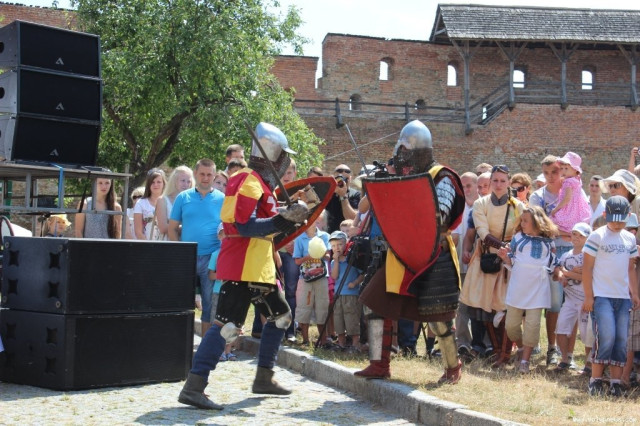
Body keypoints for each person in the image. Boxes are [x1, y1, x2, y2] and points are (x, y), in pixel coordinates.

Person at [178, 123, 308, 410]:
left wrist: (291, 219)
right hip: (243, 264)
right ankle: (194, 387)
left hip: (258, 266)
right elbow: (242, 225)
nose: (285, 161)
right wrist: (284, 218)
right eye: (283, 155)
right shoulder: (248, 180)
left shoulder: (260, 183)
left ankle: (264, 377)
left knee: (281, 317)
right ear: (272, 155)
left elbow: (268, 228)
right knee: (226, 326)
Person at [356, 120, 466, 384]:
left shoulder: (443, 177)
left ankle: (453, 368)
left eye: (406, 152)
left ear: (419, 152)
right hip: (401, 252)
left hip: (434, 254)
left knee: (439, 318)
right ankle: (379, 364)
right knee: (374, 304)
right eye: (401, 152)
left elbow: (439, 216)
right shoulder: (404, 176)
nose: (402, 158)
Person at [459, 164, 523, 368]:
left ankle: (504, 352)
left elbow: (521, 232)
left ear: (509, 182)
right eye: (495, 180)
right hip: (485, 257)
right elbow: (482, 232)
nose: (498, 184)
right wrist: (502, 246)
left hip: (508, 261)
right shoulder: (481, 204)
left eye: (503, 181)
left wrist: (509, 252)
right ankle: (488, 349)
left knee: (503, 307)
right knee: (482, 305)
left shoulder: (518, 207)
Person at [582, 195, 640, 397]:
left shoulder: (630, 239)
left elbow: (630, 268)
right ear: (605, 215)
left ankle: (615, 382)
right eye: (613, 220)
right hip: (602, 296)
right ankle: (595, 380)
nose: (617, 224)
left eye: (621, 220)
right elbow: (587, 268)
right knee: (606, 336)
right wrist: (589, 296)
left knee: (621, 340)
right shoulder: (597, 236)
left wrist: (634, 292)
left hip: (622, 297)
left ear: (628, 216)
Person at [498, 205, 558, 373]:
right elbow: (512, 260)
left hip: (538, 289)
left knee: (533, 325)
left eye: (526, 221)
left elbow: (553, 262)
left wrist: (561, 274)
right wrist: (505, 257)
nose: (522, 223)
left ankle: (525, 361)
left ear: (537, 222)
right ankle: (522, 347)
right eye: (521, 220)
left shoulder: (549, 242)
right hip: (518, 288)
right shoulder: (517, 238)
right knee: (511, 326)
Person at [168, 159, 224, 337]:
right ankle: (179, 341)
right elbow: (172, 228)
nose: (205, 178)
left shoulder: (222, 199)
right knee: (181, 302)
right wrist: (181, 252)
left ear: (214, 176)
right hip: (188, 257)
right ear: (195, 174)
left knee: (208, 304)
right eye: (202, 174)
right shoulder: (183, 197)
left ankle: (205, 346)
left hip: (211, 259)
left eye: (209, 174)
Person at [529, 155, 573, 366]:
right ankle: (552, 348)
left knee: (572, 302)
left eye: (554, 172)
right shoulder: (537, 197)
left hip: (573, 251)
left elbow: (583, 219)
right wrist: (565, 232)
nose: (550, 177)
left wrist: (569, 233)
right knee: (555, 303)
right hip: (551, 252)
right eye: (546, 173)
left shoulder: (573, 191)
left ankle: (569, 353)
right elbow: (539, 227)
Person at [554, 222, 592, 372]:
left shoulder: (588, 256)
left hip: (585, 301)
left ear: (587, 238)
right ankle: (565, 359)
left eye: (581, 235)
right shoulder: (566, 255)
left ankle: (589, 364)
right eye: (574, 234)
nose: (576, 237)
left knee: (587, 335)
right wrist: (561, 274)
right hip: (569, 300)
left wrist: (566, 272)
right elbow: (557, 271)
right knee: (561, 328)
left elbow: (585, 277)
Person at [451, 171, 478, 358]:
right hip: (460, 264)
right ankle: (462, 343)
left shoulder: (483, 206)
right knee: (461, 307)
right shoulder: (457, 207)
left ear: (476, 186)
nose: (466, 189)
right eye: (463, 186)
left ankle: (481, 343)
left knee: (478, 307)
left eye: (469, 185)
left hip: (479, 266)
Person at [294, 216, 331, 346]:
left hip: (322, 277)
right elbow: (297, 261)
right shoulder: (299, 238)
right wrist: (309, 256)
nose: (310, 223)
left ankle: (323, 340)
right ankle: (305, 340)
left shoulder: (324, 236)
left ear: (317, 221)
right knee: (304, 307)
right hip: (305, 278)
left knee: (322, 307)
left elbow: (328, 256)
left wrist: (321, 252)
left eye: (313, 220)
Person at [329, 230, 364, 352]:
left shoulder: (353, 260)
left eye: (340, 244)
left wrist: (354, 283)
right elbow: (334, 276)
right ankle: (341, 342)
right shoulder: (333, 262)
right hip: (338, 294)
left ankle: (355, 344)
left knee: (351, 319)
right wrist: (336, 261)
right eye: (333, 246)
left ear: (346, 244)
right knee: (338, 318)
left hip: (351, 294)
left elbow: (362, 275)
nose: (337, 248)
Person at [208, 224, 235, 362]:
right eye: (224, 233)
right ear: (219, 236)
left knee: (231, 322)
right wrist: (223, 275)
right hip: (218, 292)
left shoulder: (236, 254)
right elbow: (211, 275)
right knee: (218, 322)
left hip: (233, 292)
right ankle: (219, 351)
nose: (226, 236)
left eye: (229, 233)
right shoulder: (215, 254)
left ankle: (228, 351)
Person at [550, 152, 591, 234]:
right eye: (562, 168)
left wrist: (556, 209)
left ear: (575, 170)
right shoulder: (577, 179)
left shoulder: (568, 182)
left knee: (553, 221)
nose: (563, 171)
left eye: (566, 168)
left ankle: (567, 234)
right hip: (578, 209)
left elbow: (567, 198)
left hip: (569, 209)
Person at [155, 166, 194, 239]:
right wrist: (187, 227)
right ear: (174, 181)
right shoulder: (162, 200)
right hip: (168, 242)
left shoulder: (193, 201)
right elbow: (163, 228)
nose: (186, 184)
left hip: (188, 242)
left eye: (188, 181)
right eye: (182, 180)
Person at [134, 169, 166, 240]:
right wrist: (149, 245)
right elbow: (138, 232)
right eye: (152, 182)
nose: (155, 185)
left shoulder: (170, 202)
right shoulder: (140, 203)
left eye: (159, 182)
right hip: (147, 244)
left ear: (164, 183)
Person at [326, 164, 359, 233]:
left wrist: (343, 196)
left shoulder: (355, 194)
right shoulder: (328, 193)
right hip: (331, 234)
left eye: (345, 179)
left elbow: (352, 218)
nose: (342, 182)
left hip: (348, 234)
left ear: (350, 179)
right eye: (339, 179)